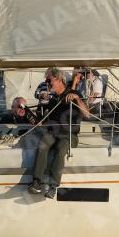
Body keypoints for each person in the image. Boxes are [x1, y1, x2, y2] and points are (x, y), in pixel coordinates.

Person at [27, 67, 89, 199]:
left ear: (59, 79)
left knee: (61, 148)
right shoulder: (53, 99)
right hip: (54, 133)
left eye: (49, 81)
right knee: (43, 144)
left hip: (69, 135)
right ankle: (36, 182)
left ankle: (53, 186)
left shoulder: (74, 93)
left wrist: (77, 99)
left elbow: (87, 114)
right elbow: (47, 121)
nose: (47, 84)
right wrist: (35, 120)